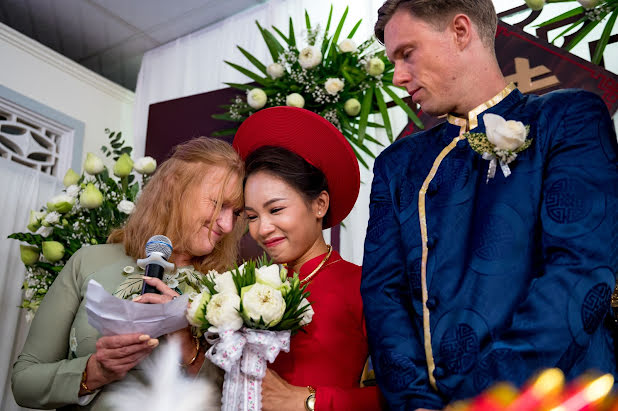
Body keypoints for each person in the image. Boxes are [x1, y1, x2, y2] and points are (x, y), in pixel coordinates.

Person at [361, 0, 618, 409]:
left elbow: (581, 275)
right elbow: (383, 296)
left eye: (407, 54)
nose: (397, 76)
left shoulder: (567, 118)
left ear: (461, 31)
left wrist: (479, 401)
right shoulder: (397, 164)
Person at [12, 137, 246, 410]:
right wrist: (95, 370)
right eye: (218, 204)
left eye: (236, 212)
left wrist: (186, 343)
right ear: (173, 188)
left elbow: (242, 400)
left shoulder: (228, 290)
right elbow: (24, 381)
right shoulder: (88, 261)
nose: (228, 225)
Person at [234, 106, 385, 411]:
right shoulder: (247, 286)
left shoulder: (362, 285)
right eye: (252, 216)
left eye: (276, 210)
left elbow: (403, 394)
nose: (262, 229)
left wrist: (310, 401)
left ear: (319, 204)